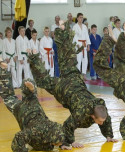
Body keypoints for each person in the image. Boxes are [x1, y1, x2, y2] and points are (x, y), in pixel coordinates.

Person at [28, 21, 118, 149]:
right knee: (44, 81)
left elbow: (106, 121)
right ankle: (33, 57)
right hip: (64, 89)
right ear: (93, 116)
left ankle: (63, 30)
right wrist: (69, 142)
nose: (101, 123)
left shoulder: (101, 109)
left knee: (68, 60)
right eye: (99, 121)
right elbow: (67, 125)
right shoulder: (81, 114)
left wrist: (109, 136)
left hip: (76, 80)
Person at [0, 62, 68, 151]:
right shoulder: (35, 133)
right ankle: (29, 89)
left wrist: (65, 143)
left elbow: (62, 132)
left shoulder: (55, 128)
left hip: (36, 109)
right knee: (10, 97)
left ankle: (30, 90)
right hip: (23, 111)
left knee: (29, 97)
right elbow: (19, 136)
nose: (59, 144)